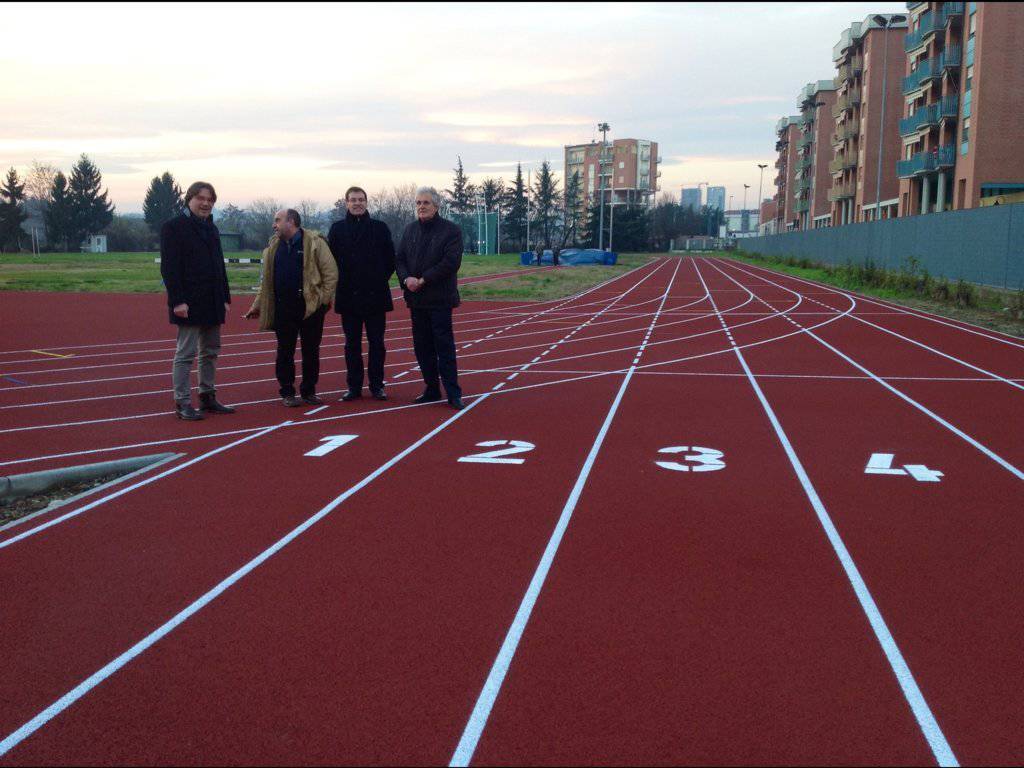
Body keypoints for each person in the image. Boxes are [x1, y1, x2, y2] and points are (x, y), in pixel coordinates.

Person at [244, 209, 338, 407]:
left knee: (310, 351)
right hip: (283, 307)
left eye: (277, 220)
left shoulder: (315, 243)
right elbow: (266, 282)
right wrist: (257, 305)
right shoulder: (272, 247)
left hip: (310, 307)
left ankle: (308, 391)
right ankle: (287, 391)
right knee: (285, 351)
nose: (274, 224)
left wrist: (322, 301)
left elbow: (331, 274)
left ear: (292, 222)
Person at [160, 181, 236, 421]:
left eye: (210, 199)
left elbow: (218, 265)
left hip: (212, 300)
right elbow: (169, 268)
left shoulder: (211, 228)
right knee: (186, 353)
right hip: (189, 301)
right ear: (189, 199)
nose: (205, 203)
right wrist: (177, 301)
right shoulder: (174, 227)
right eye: (200, 198)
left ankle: (207, 395)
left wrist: (224, 296)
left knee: (211, 350)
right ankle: (182, 403)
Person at [395, 186, 464, 410]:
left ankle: (453, 393)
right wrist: (407, 280)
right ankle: (431, 388)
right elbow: (400, 259)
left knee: (443, 347)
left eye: (426, 203)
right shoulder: (410, 230)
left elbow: (450, 262)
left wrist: (423, 280)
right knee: (422, 347)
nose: (421, 207)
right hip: (416, 300)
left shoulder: (451, 231)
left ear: (437, 206)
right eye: (418, 203)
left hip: (440, 299)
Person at [327, 187, 396, 401]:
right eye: (353, 200)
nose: (357, 203)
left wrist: (376, 279)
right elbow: (331, 262)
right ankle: (354, 387)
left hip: (375, 295)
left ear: (367, 202)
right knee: (351, 344)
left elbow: (390, 259)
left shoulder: (380, 228)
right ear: (346, 203)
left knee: (377, 343)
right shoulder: (337, 229)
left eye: (361, 200)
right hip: (349, 296)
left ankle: (377, 386)